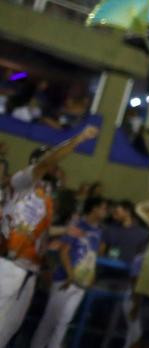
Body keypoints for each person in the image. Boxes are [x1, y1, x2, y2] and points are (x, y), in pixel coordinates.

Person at [0, 125, 99, 345]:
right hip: (8, 265)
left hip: (29, 271)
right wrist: (79, 139)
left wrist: (63, 231)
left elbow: (36, 231)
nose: (55, 167)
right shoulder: (22, 181)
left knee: (9, 330)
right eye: (50, 162)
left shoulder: (44, 195)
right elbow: (47, 162)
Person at [30, 195, 108, 348]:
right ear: (94, 208)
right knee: (50, 321)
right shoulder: (77, 226)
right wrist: (70, 275)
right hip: (64, 279)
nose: (106, 212)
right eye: (104, 208)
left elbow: (94, 256)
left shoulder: (99, 232)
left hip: (81, 283)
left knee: (64, 323)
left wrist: (91, 276)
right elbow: (63, 251)